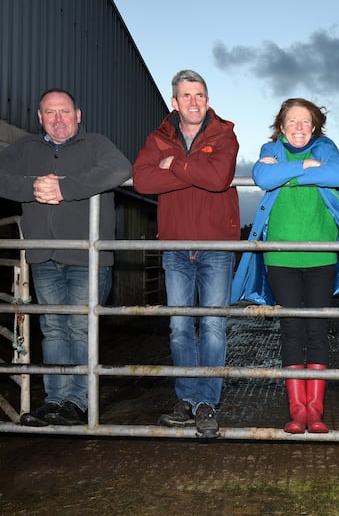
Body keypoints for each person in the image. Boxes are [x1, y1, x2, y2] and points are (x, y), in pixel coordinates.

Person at [0, 88, 132, 427]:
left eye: (64, 112)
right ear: (40, 118)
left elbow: (119, 168)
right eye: (50, 113)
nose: (58, 119)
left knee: (79, 328)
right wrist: (31, 187)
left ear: (78, 116)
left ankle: (78, 401)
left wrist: (64, 188)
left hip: (87, 256)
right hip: (44, 255)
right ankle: (55, 399)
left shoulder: (97, 145)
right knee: (53, 329)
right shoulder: (26, 148)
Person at [231, 98, 339, 434]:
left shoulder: (326, 147)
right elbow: (263, 177)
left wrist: (290, 175)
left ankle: (315, 412)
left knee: (318, 330)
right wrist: (305, 167)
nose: (298, 127)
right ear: (281, 126)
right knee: (292, 330)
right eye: (292, 121)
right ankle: (297, 413)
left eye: (305, 121)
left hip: (322, 254)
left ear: (314, 126)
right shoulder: (271, 148)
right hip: (280, 256)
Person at [133, 70, 239, 439]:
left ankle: (208, 402)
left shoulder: (224, 133)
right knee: (179, 328)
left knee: (212, 326)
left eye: (199, 95)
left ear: (206, 100)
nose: (193, 102)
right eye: (186, 96)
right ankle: (187, 400)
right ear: (174, 103)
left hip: (216, 246)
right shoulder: (158, 137)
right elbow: (144, 180)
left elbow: (219, 178)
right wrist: (197, 171)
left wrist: (174, 165)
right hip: (175, 246)